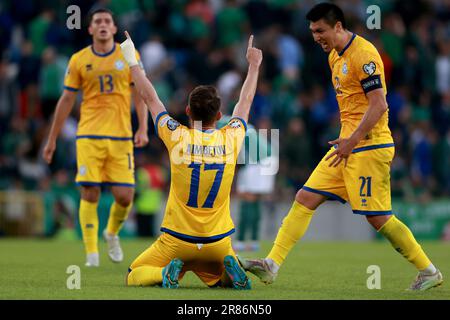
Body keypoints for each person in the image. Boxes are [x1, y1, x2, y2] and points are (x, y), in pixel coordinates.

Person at [239, 3, 443, 291]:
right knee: (304, 197)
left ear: (338, 26)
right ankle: (272, 264)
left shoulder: (365, 54)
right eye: (312, 31)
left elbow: (379, 104)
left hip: (368, 146)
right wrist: (346, 139)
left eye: (320, 30)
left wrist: (352, 139)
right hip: (346, 146)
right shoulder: (335, 56)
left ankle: (429, 270)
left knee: (377, 217)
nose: (315, 37)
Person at [120, 31, 262, 289]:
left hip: (177, 241)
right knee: (215, 281)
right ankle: (228, 271)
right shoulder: (231, 137)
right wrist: (253, 65)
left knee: (134, 273)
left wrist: (132, 59)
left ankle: (164, 275)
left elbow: (150, 97)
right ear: (219, 115)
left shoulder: (177, 137)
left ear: (187, 111)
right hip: (217, 241)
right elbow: (246, 101)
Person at [42, 8, 149, 267]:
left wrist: (143, 127)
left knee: (125, 196)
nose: (102, 24)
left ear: (113, 28)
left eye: (107, 21)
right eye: (97, 21)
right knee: (89, 191)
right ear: (90, 29)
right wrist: (52, 138)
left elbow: (141, 92)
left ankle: (111, 233)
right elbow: (67, 99)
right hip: (88, 134)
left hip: (121, 136)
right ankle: (91, 253)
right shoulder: (79, 59)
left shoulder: (129, 54)